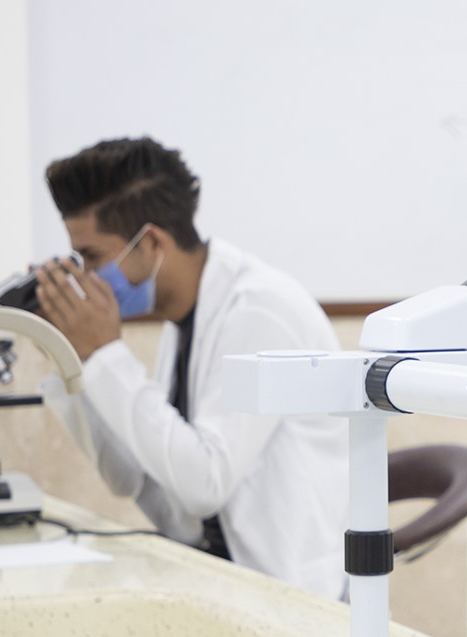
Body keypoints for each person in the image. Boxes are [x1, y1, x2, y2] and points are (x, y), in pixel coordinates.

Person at [33, 137, 348, 599]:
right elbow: (130, 477)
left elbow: (204, 484)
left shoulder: (259, 311)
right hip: (218, 577)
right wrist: (75, 360)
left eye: (93, 258)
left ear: (152, 242)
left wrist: (106, 354)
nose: (86, 277)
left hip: (292, 596)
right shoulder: (184, 319)